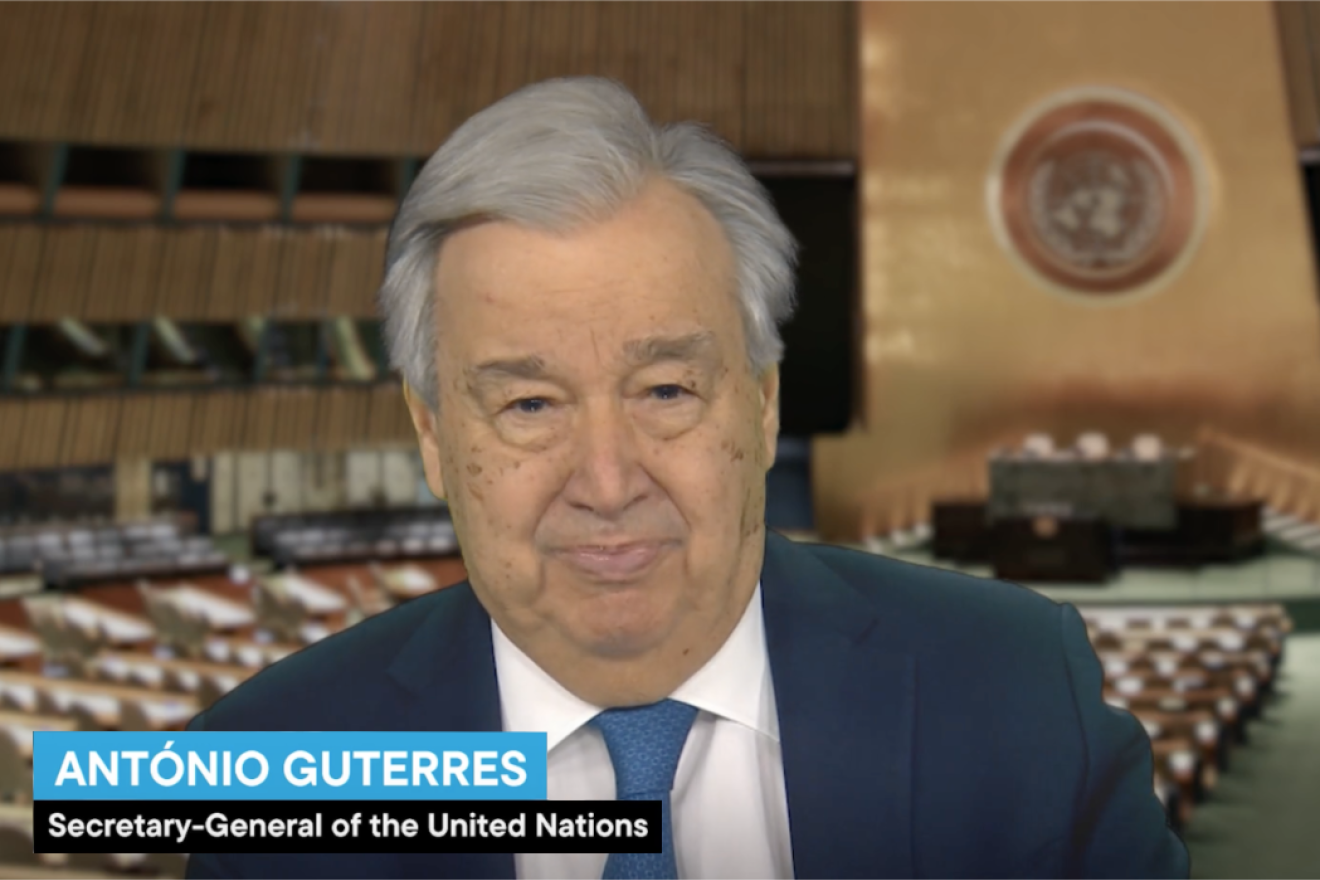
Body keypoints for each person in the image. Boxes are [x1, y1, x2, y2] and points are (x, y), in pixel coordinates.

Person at [185, 77, 1189, 880]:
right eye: (529, 405)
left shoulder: (1016, 691)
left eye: (666, 389)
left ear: (761, 405)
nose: (609, 480)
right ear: (435, 438)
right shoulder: (273, 760)